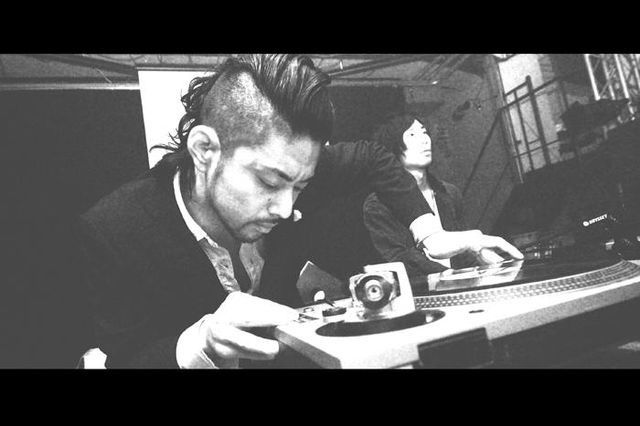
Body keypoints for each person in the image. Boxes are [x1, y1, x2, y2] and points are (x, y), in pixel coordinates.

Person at [76, 54, 522, 369]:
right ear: (205, 150)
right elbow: (122, 359)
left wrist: (430, 234)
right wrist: (197, 344)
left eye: (301, 186)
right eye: (269, 183)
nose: (287, 207)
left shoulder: (291, 168)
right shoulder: (115, 229)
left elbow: (374, 159)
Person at [362, 114, 479, 277]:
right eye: (412, 134)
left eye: (424, 132)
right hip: (420, 289)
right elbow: (399, 259)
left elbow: (465, 252)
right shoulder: (378, 205)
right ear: (394, 145)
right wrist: (449, 276)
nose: (424, 140)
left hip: (461, 285)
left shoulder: (450, 193)